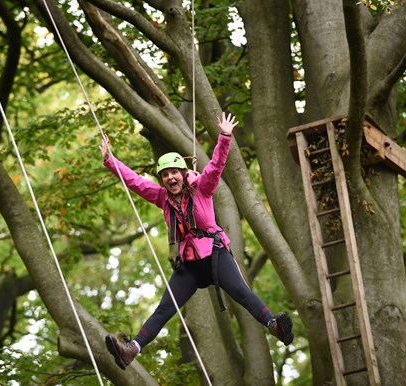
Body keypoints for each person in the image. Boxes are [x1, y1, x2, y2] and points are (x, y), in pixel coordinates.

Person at [101, 112, 293, 370]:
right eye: (165, 175)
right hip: (189, 264)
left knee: (240, 291)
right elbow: (134, 182)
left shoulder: (202, 189)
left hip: (215, 255)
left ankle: (274, 326)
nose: (170, 178)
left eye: (174, 173)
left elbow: (216, 166)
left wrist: (224, 136)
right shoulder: (162, 198)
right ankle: (131, 350)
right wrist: (110, 161)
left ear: (183, 174)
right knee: (164, 308)